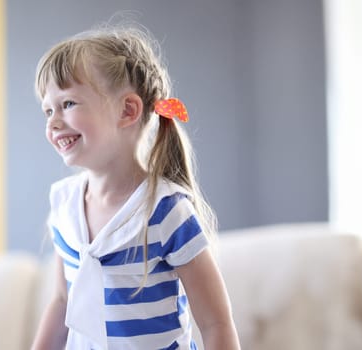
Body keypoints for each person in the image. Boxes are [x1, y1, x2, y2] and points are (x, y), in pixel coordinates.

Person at [31, 24, 240, 350]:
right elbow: (61, 302)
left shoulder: (167, 212)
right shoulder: (64, 204)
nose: (53, 122)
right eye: (48, 109)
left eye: (68, 104)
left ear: (127, 110)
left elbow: (216, 323)